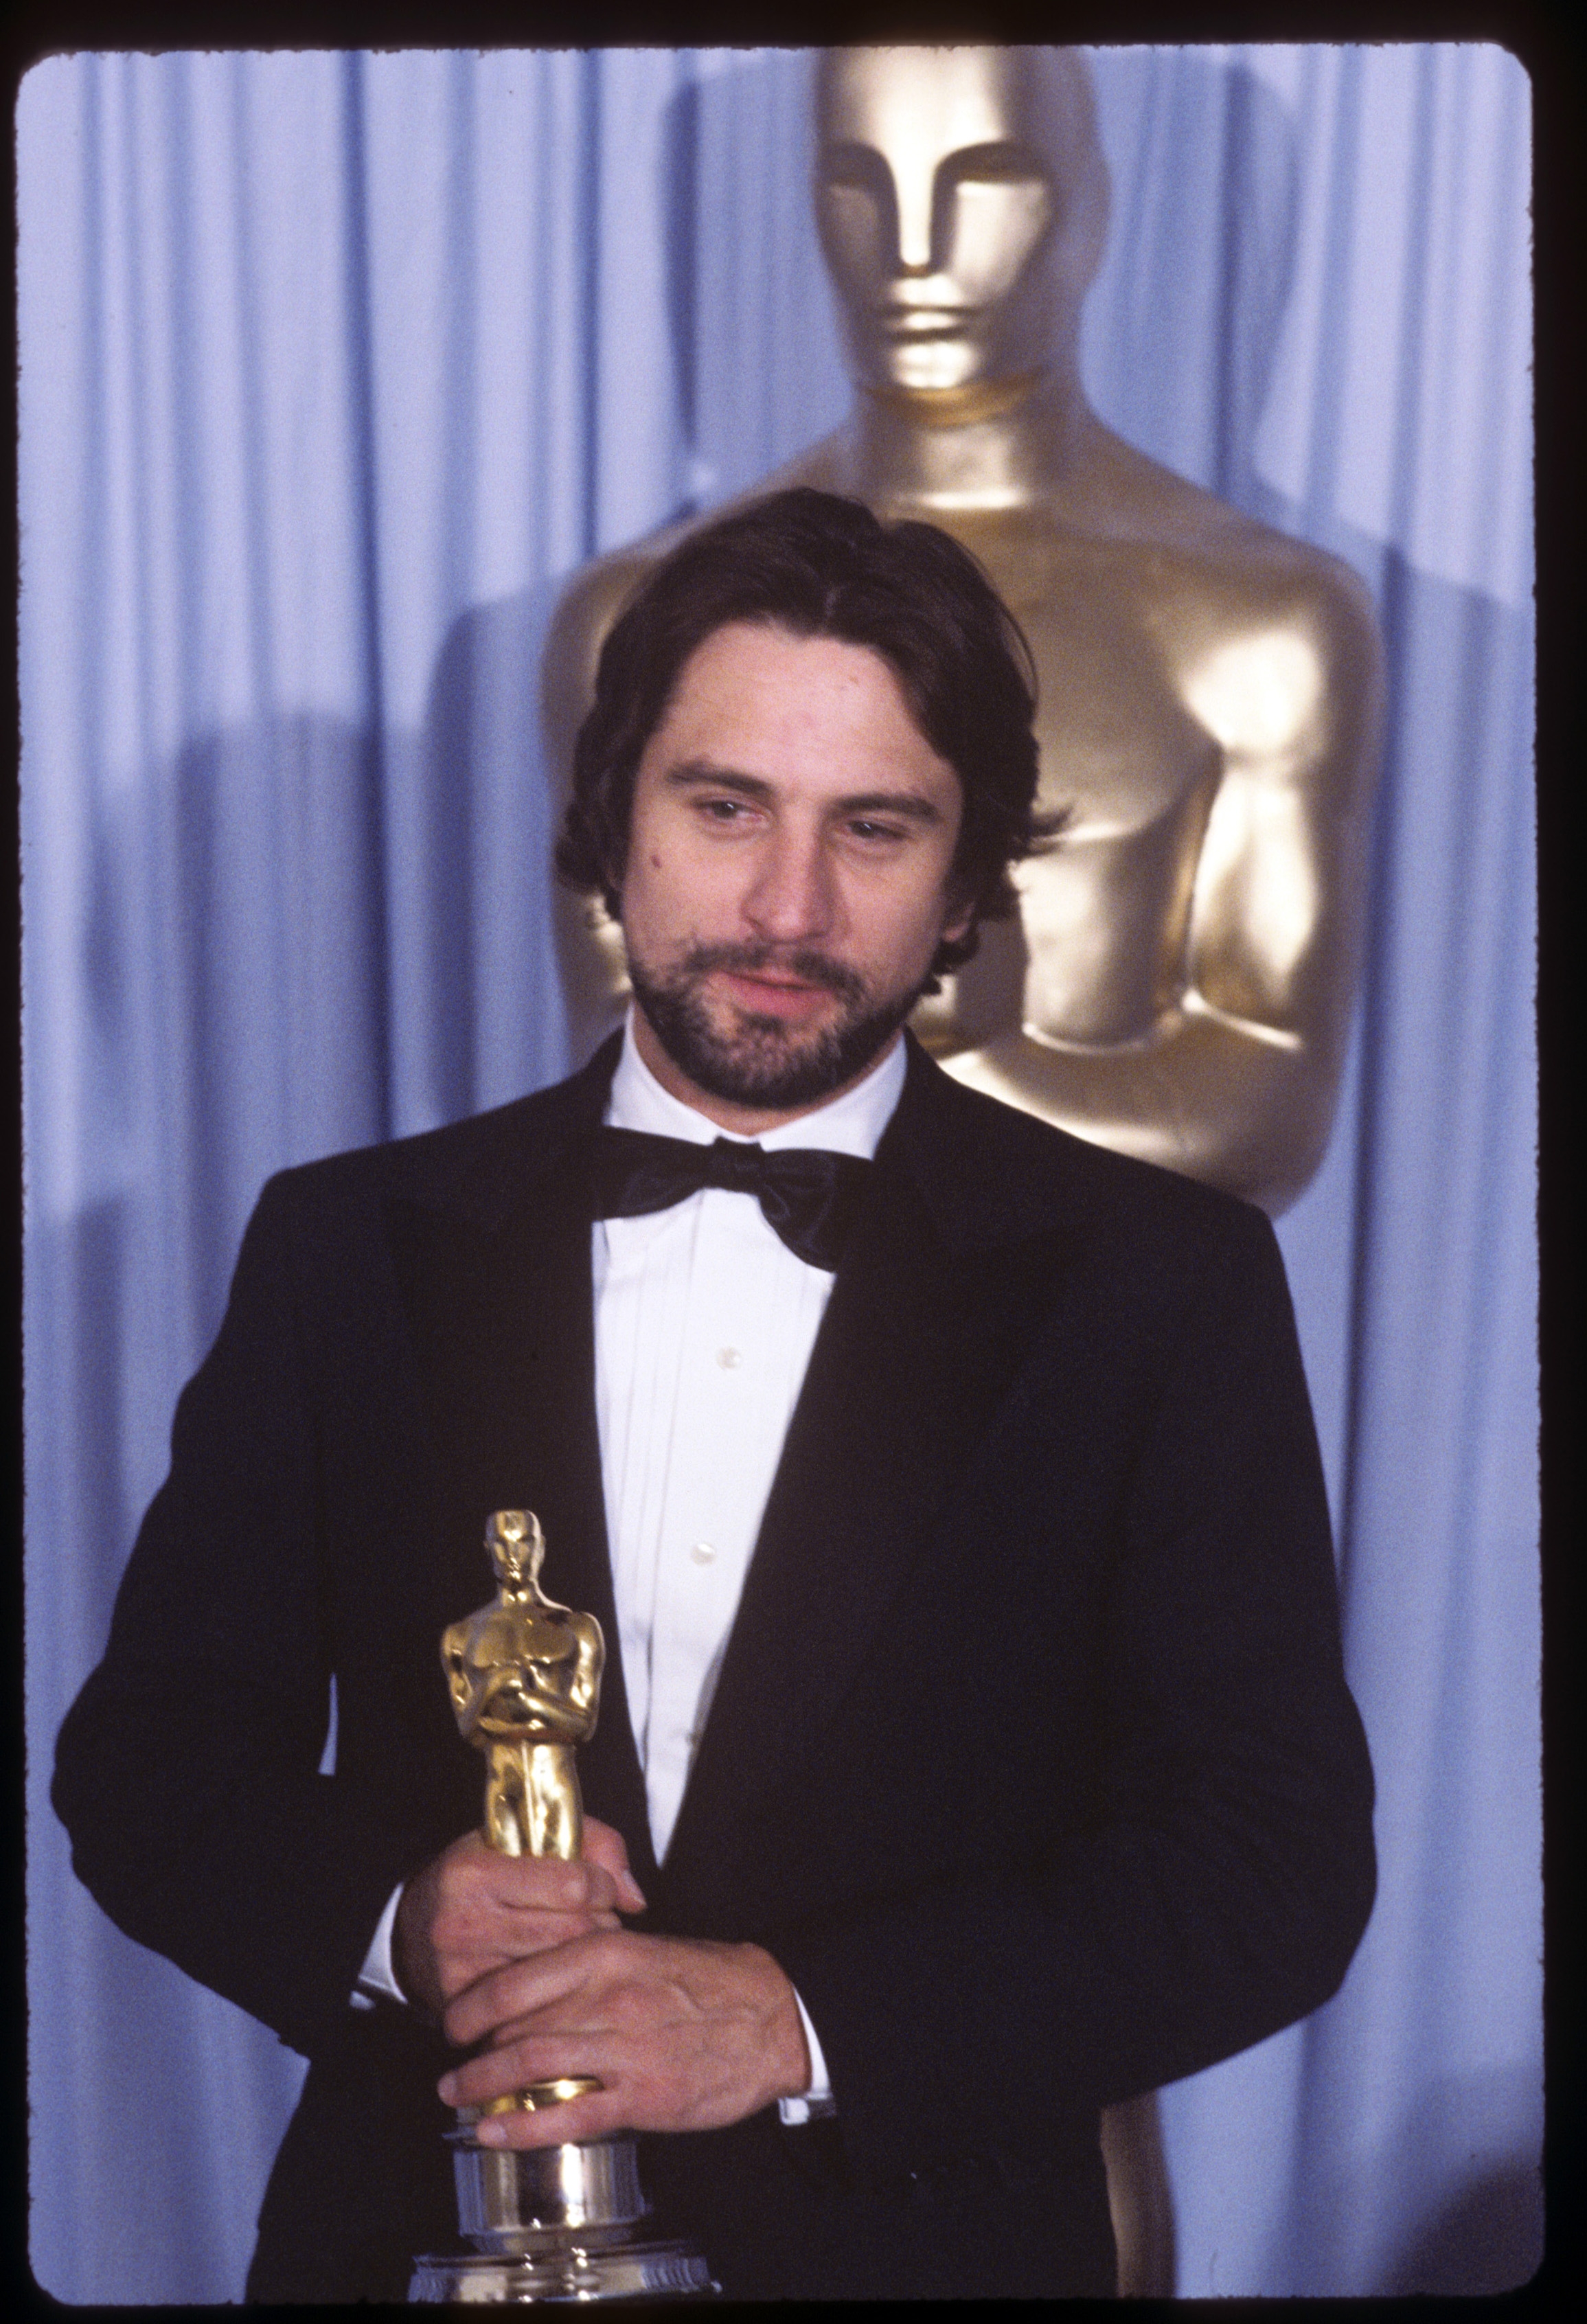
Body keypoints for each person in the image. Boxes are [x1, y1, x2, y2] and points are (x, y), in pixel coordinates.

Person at [54, 488, 1375, 2302]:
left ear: (970, 879)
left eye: (878, 827)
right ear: (614, 820)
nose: (787, 904)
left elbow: (1267, 1867)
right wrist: (400, 1922)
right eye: (724, 804)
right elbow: (150, 1762)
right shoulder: (348, 1243)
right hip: (408, 2252)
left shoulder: (1160, 1281)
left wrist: (792, 2021)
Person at [541, 45, 1384, 1216]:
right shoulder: (631, 618)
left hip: (1096, 1348)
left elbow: (1275, 1101)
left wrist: (949, 1071)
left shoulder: (1267, 620)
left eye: (986, 177)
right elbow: (619, 1060)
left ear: (1089, 208)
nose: (914, 248)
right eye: (857, 180)